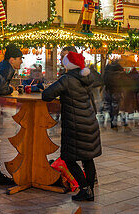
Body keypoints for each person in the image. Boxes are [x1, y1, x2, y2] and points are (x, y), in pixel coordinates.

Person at [42, 50, 103, 202]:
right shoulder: (86, 76)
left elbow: (47, 95)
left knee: (69, 159)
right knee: (88, 158)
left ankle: (84, 189)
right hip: (89, 121)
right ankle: (89, 191)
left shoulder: (67, 79)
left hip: (76, 124)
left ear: (68, 64)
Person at [0, 45, 22, 187]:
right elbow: (1, 87)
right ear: (12, 59)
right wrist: (10, 89)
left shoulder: (4, 67)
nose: (21, 62)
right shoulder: (7, 68)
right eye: (20, 59)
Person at [102, 59, 125, 130]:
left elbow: (103, 80)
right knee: (115, 106)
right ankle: (113, 123)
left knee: (108, 105)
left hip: (108, 89)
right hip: (116, 90)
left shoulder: (107, 69)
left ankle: (109, 118)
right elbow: (122, 81)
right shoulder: (119, 69)